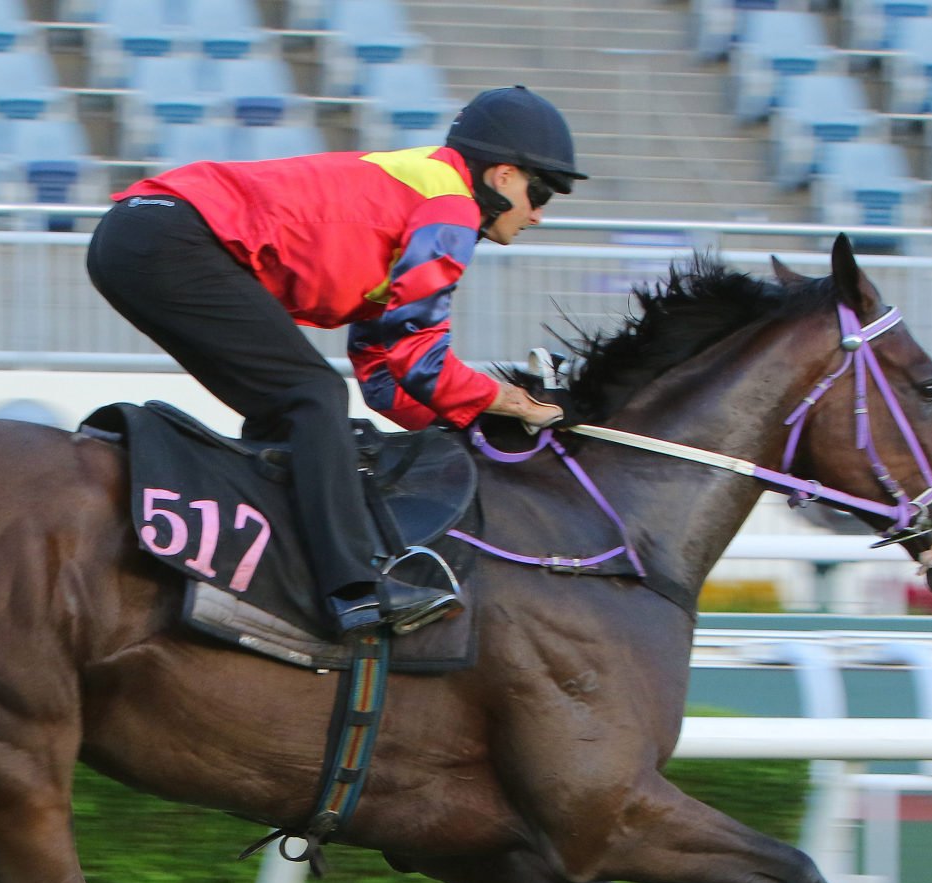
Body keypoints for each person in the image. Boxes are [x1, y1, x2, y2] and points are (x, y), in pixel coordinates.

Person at [86, 86, 582, 637]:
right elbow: (417, 350)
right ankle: (354, 591)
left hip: (145, 234)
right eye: (540, 193)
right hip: (168, 236)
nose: (538, 214)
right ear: (504, 176)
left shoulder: (429, 194)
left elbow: (380, 368)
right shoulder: (451, 208)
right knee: (311, 397)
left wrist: (461, 430)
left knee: (299, 409)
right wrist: (507, 401)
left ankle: (273, 568)